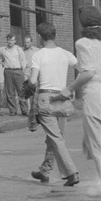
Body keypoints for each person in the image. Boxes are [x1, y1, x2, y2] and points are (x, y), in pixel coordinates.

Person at [26, 21, 79, 187]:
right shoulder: (65, 54)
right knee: (55, 137)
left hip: (46, 97)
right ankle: (45, 171)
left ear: (40, 37)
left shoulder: (38, 55)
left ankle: (72, 173)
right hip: (61, 98)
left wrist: (28, 85)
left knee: (55, 138)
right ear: (54, 35)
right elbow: (84, 69)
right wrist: (71, 88)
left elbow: (33, 81)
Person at [63, 6, 101, 201]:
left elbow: (87, 73)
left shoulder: (83, 43)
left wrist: (69, 88)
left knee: (97, 146)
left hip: (95, 93)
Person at [0, 32, 29, 116]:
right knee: (10, 92)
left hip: (18, 71)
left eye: (12, 40)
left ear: (15, 41)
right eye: (9, 40)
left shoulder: (18, 49)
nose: (10, 42)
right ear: (7, 41)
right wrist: (2, 62)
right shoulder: (3, 49)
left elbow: (23, 60)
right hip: (8, 71)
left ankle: (24, 110)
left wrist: (21, 69)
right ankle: (12, 110)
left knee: (21, 91)